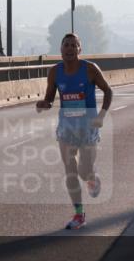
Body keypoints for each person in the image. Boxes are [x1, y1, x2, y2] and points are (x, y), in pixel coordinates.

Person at [35, 33, 113, 229]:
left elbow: (108, 91)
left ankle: (92, 178)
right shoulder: (54, 72)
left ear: (79, 49)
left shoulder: (90, 69)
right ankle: (79, 214)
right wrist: (44, 104)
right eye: (66, 45)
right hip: (66, 128)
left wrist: (101, 116)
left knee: (83, 171)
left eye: (73, 45)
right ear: (60, 50)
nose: (69, 49)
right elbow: (50, 98)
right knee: (70, 172)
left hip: (88, 127)